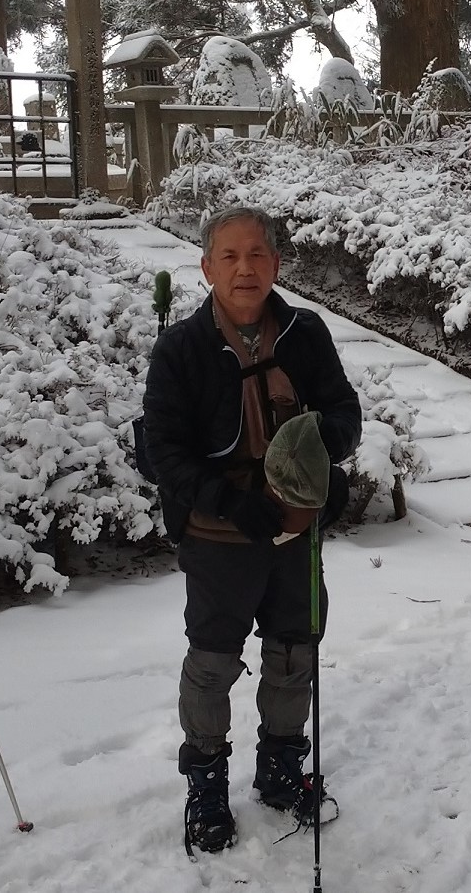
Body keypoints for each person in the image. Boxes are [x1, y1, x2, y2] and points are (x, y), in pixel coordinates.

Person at [141, 206, 359, 854]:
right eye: (229, 257)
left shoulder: (305, 332)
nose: (244, 268)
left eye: (257, 255)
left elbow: (343, 413)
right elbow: (163, 451)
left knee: (294, 650)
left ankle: (280, 768)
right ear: (207, 267)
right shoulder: (180, 348)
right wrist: (230, 501)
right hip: (219, 533)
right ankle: (206, 786)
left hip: (295, 526)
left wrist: (315, 459)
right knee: (212, 664)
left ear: (276, 264)